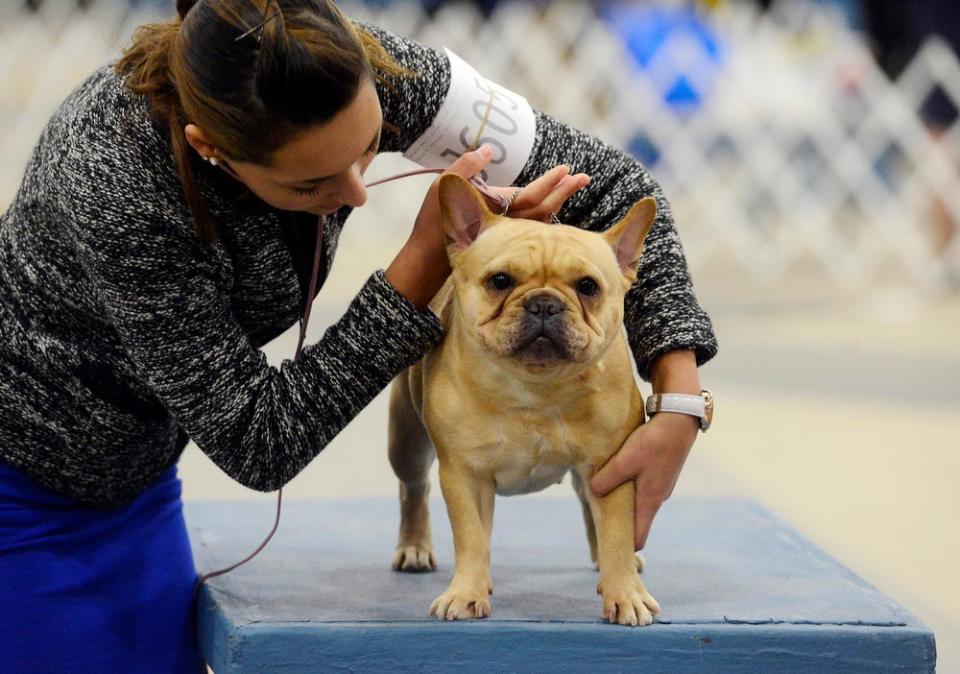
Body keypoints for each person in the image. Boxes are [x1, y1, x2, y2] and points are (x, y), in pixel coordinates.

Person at [0, 0, 717, 670]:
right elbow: (259, 437)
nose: (353, 193)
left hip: (140, 472)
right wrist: (423, 264)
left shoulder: (372, 74)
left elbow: (616, 185)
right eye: (311, 186)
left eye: (371, 146)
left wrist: (678, 395)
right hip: (24, 481)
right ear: (209, 147)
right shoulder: (117, 186)